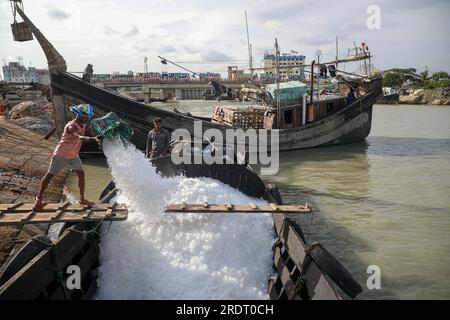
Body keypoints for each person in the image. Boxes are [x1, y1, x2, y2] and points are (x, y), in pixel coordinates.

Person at [34, 104, 102, 210]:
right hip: (61, 154)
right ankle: (39, 198)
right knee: (49, 176)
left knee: (81, 174)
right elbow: (79, 137)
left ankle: (82, 198)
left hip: (74, 155)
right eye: (85, 117)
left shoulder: (83, 124)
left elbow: (88, 128)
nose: (86, 118)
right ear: (78, 115)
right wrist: (93, 138)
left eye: (87, 117)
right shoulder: (71, 126)